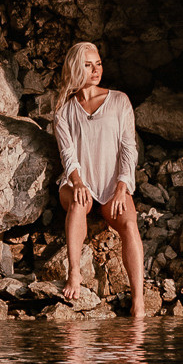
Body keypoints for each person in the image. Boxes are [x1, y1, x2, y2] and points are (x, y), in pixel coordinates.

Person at [49, 42, 147, 311]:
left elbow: (129, 148)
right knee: (79, 202)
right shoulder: (64, 110)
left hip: (112, 183)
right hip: (77, 180)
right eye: (88, 65)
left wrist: (121, 188)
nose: (96, 70)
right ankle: (74, 274)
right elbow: (66, 152)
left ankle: (138, 300)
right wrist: (77, 181)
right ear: (75, 68)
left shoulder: (119, 101)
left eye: (98, 64)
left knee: (129, 223)